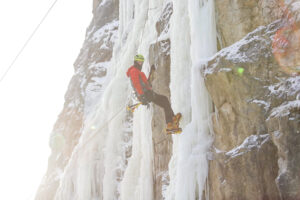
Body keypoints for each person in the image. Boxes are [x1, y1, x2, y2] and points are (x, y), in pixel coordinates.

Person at [126, 54, 181, 133]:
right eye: (139, 61)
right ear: (135, 62)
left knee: (164, 102)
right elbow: (136, 84)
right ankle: (170, 123)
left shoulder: (137, 71)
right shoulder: (134, 71)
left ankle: (172, 121)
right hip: (146, 94)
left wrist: (151, 73)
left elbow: (145, 83)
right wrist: (142, 96)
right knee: (164, 100)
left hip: (147, 93)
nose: (140, 63)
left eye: (141, 62)